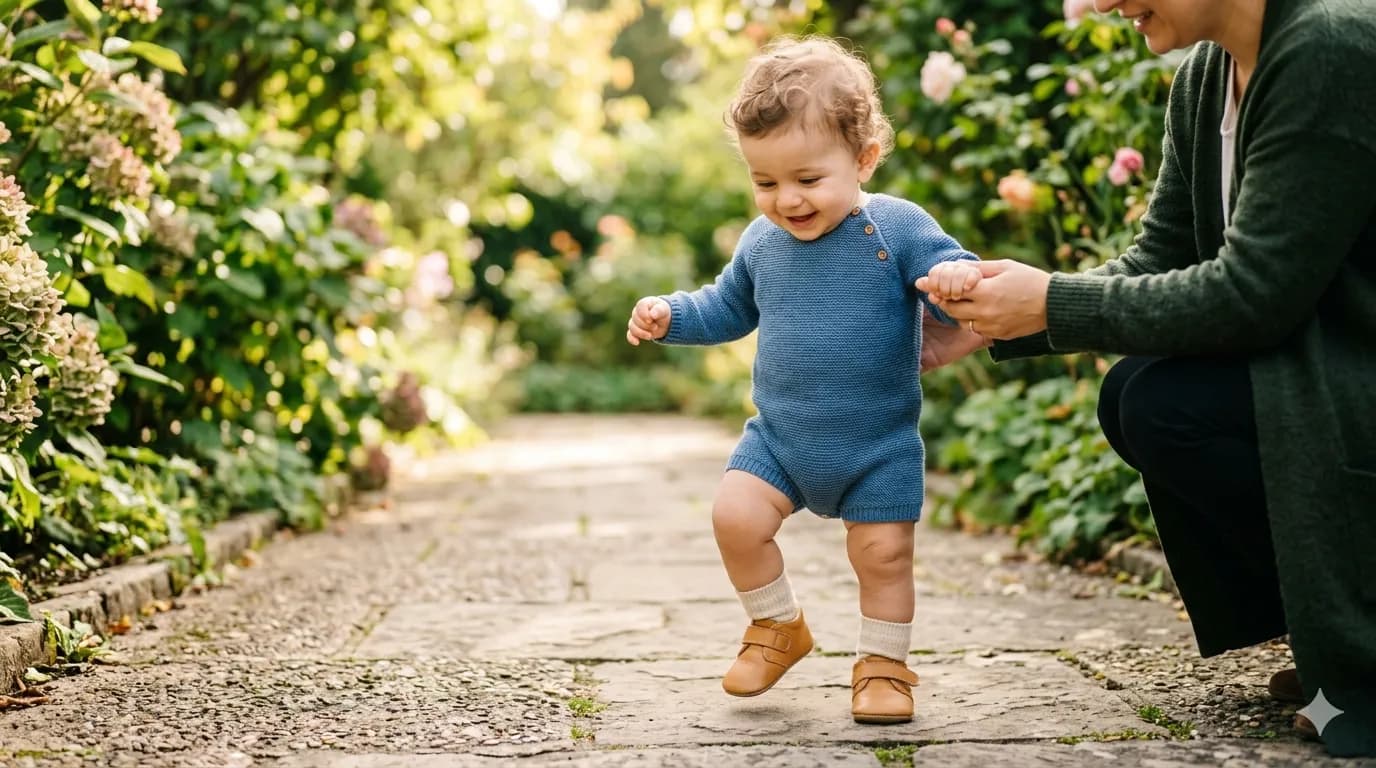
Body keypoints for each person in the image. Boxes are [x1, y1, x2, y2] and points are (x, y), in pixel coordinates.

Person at [918, 0, 1376, 756]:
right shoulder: (1206, 76)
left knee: (1169, 405)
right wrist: (996, 321)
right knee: (1139, 395)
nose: (1099, 2)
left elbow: (1252, 294)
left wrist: (1053, 303)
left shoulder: (1329, 45)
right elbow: (1158, 260)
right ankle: (1333, 632)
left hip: (1350, 374)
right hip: (1327, 373)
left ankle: (1358, 649)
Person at [625, 36, 981, 725]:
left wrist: (956, 280)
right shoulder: (762, 242)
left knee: (883, 554)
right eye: (765, 183)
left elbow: (949, 278)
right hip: (780, 440)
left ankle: (882, 666)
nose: (786, 199)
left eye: (807, 180)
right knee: (734, 517)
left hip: (877, 445)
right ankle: (776, 626)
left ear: (864, 159)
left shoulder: (899, 227)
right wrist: (671, 314)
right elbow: (728, 306)